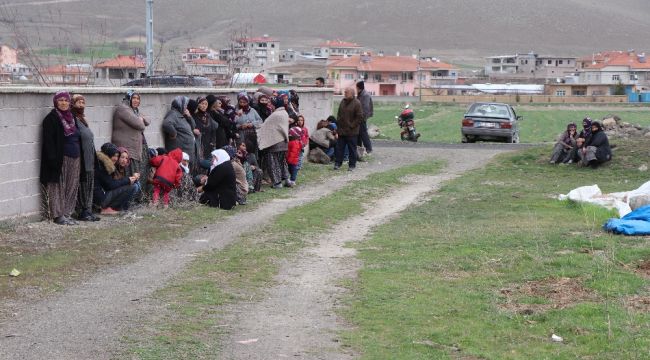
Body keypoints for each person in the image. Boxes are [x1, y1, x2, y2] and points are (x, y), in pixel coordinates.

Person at [40, 91, 81, 225]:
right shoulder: (51, 119)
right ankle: (58, 216)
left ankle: (67, 213)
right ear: (55, 102)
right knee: (58, 187)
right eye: (60, 100)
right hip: (59, 159)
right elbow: (49, 142)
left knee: (71, 186)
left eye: (66, 100)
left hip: (75, 157)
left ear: (70, 102)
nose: (64, 103)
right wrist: (53, 161)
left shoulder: (72, 117)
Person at [112, 90, 150, 194]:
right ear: (128, 98)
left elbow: (148, 121)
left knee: (136, 174)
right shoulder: (123, 109)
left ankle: (136, 198)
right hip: (127, 148)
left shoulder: (134, 111)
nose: (136, 100)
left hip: (134, 148)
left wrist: (140, 118)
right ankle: (130, 200)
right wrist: (140, 119)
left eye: (138, 99)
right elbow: (141, 125)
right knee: (130, 174)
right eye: (134, 98)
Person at [70, 94, 100, 222]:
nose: (81, 104)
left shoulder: (82, 119)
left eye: (83, 102)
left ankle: (88, 209)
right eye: (78, 102)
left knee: (89, 184)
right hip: (81, 157)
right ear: (73, 104)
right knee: (83, 184)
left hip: (89, 157)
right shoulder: (72, 119)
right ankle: (83, 211)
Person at [94, 143, 138, 215]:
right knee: (133, 187)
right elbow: (110, 185)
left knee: (135, 184)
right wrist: (128, 180)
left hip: (103, 196)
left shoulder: (105, 163)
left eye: (117, 156)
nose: (116, 158)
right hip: (101, 199)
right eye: (114, 156)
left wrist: (130, 179)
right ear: (107, 155)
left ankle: (118, 207)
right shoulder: (102, 166)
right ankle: (111, 208)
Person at [257, 96, 291, 188]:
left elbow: (265, 126)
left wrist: (256, 127)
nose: (270, 105)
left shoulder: (276, 115)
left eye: (271, 103)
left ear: (276, 104)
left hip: (274, 143)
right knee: (282, 163)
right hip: (283, 142)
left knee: (273, 163)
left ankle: (277, 183)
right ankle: (287, 179)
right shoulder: (284, 112)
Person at [162, 96, 200, 172]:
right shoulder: (173, 114)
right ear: (180, 105)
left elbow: (193, 126)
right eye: (185, 105)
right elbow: (166, 124)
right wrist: (174, 133)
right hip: (180, 153)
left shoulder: (181, 115)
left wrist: (189, 116)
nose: (186, 108)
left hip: (187, 152)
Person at [334, 87, 363, 171]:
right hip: (342, 130)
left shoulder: (357, 103)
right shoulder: (343, 101)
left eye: (346, 92)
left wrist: (351, 125)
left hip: (352, 131)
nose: (345, 93)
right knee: (339, 149)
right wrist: (338, 124)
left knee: (352, 149)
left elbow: (360, 117)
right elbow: (339, 114)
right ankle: (337, 164)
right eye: (345, 92)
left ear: (352, 93)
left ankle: (352, 165)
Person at [193, 96, 219, 164]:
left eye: (206, 104)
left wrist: (213, 142)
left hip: (208, 143)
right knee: (199, 162)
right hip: (198, 143)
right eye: (202, 103)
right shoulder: (194, 116)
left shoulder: (207, 116)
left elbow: (214, 127)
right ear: (197, 104)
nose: (204, 106)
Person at [356, 80, 373, 155]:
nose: (356, 89)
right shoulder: (360, 94)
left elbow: (365, 108)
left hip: (362, 117)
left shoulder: (365, 95)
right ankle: (359, 147)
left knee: (363, 133)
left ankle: (368, 148)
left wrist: (362, 117)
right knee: (359, 133)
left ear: (359, 87)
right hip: (360, 117)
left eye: (356, 87)